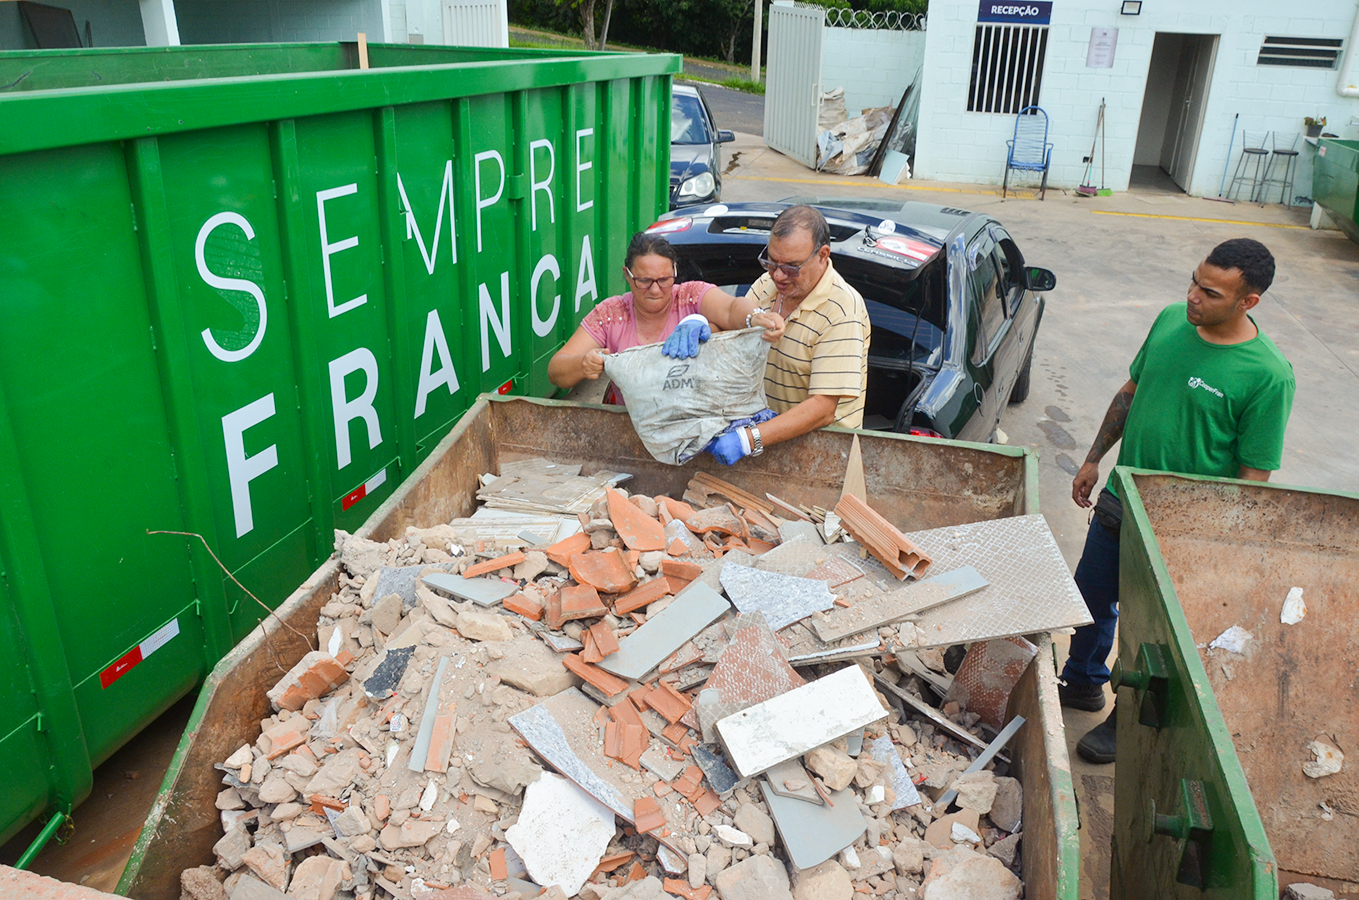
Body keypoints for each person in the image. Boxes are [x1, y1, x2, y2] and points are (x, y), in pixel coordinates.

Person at [1059, 237, 1295, 764]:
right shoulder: (1170, 321)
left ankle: (1128, 720)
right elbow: (1132, 390)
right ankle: (1081, 683)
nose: (1192, 296)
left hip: (1180, 530)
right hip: (1123, 499)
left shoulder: (1267, 375)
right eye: (1193, 281)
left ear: (1247, 301)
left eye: (1209, 292)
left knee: (1151, 633)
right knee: (1089, 602)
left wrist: (1218, 548)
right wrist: (1095, 457)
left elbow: (1253, 477)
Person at [705, 205, 871, 465]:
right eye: (772, 262)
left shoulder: (842, 311)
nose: (779, 275)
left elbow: (823, 409)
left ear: (822, 255)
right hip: (768, 441)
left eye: (792, 267)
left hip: (819, 456)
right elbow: (734, 335)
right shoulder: (766, 285)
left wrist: (748, 440)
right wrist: (706, 329)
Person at [548, 231, 784, 404]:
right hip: (634, 427)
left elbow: (731, 308)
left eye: (664, 280)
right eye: (644, 281)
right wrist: (583, 364)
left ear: (674, 272)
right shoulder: (611, 314)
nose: (655, 290)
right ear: (627, 276)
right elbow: (556, 371)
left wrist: (754, 317)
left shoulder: (691, 297)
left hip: (696, 421)